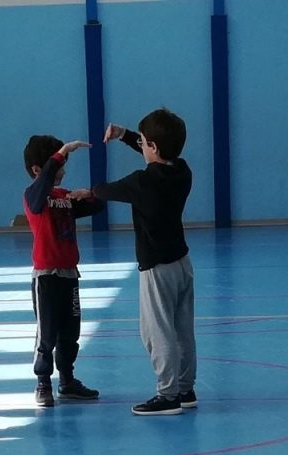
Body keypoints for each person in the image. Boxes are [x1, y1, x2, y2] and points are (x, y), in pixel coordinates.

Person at [91, 108, 196, 416]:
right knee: (182, 330)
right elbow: (156, 148)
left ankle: (167, 395)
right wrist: (125, 135)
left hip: (156, 268)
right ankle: (186, 389)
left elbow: (103, 190)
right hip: (182, 262)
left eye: (144, 143)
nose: (142, 146)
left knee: (156, 331)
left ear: (153, 148)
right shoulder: (183, 170)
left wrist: (90, 192)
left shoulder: (142, 181)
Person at [22, 134, 105, 407]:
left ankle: (67, 380)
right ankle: (42, 382)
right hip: (46, 276)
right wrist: (62, 151)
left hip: (69, 275)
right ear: (39, 169)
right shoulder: (34, 196)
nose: (64, 169)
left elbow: (97, 206)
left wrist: (89, 195)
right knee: (47, 334)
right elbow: (40, 191)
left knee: (70, 332)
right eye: (60, 164)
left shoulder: (62, 197)